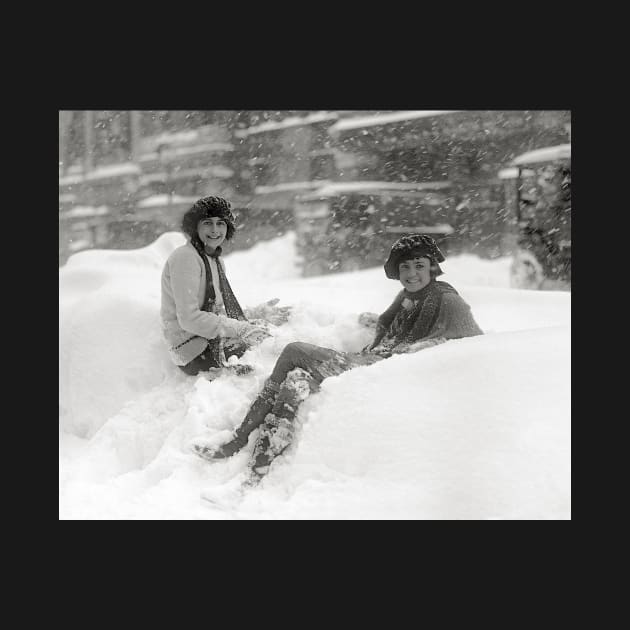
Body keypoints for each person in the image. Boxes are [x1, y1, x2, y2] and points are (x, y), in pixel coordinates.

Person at [193, 233, 483, 483]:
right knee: (296, 382)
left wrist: (419, 351)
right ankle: (260, 466)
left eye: (419, 265)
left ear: (433, 268)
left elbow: (474, 345)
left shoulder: (448, 301)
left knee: (294, 350)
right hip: (375, 362)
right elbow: (397, 330)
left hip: (383, 371)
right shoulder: (410, 298)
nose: (411, 273)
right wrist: (379, 324)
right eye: (405, 267)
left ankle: (240, 437)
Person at [160, 195, 290, 377]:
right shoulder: (185, 258)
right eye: (207, 222)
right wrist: (242, 328)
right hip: (191, 349)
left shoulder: (215, 260)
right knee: (266, 352)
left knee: (265, 335)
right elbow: (189, 319)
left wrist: (254, 314)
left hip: (206, 339)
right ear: (194, 226)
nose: (215, 230)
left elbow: (214, 312)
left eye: (221, 223)